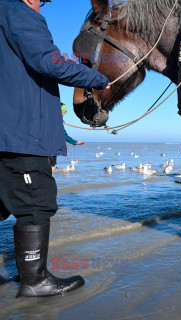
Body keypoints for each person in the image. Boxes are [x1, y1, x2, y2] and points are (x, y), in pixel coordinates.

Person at [0, 0, 109, 297]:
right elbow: (48, 62)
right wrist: (98, 78)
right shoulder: (19, 13)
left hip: (6, 130)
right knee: (35, 203)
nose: (41, 5)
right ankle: (35, 281)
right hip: (23, 132)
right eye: (41, 1)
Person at [49, 103, 85, 174]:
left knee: (51, 165)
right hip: (51, 147)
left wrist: (75, 142)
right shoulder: (56, 122)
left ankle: (48, 182)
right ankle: (49, 182)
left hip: (47, 147)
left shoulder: (50, 119)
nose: (63, 114)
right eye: (63, 113)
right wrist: (75, 142)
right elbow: (64, 135)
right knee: (52, 166)